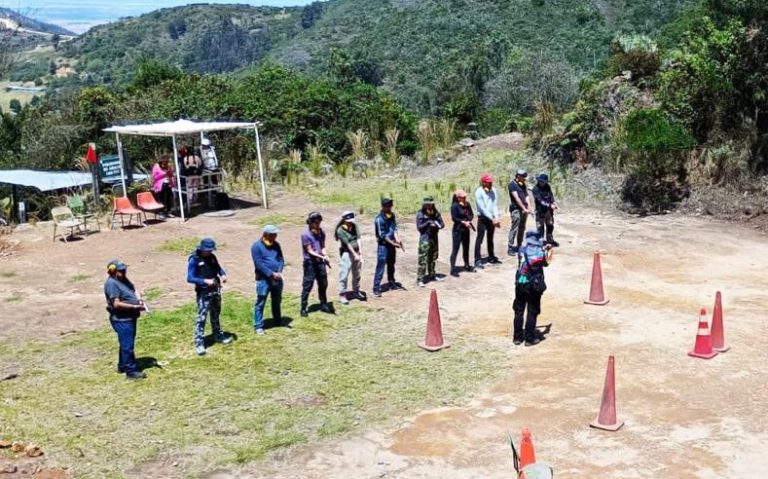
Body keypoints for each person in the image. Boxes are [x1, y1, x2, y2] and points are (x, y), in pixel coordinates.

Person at [187, 237, 232, 356]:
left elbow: (218, 268)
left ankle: (217, 335)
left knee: (215, 314)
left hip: (215, 290)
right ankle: (199, 343)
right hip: (203, 293)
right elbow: (190, 278)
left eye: (211, 250)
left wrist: (223, 275)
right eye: (208, 250)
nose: (210, 252)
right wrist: (205, 281)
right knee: (201, 317)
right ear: (202, 248)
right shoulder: (194, 259)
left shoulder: (212, 257)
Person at [103, 259, 146, 380]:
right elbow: (116, 304)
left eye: (124, 269)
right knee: (128, 346)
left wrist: (139, 299)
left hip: (129, 317)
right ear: (113, 271)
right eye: (121, 270)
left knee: (125, 344)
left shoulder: (122, 279)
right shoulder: (112, 284)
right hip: (122, 320)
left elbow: (134, 289)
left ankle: (122, 365)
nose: (124, 272)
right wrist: (134, 306)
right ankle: (131, 372)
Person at [513, 231, 552, 346]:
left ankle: (517, 337)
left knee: (518, 312)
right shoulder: (540, 254)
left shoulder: (521, 250)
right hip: (533, 285)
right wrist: (547, 250)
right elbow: (546, 263)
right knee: (532, 311)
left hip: (520, 283)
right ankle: (529, 339)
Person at [251, 225, 284, 335]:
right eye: (273, 234)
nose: (275, 236)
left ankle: (277, 320)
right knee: (260, 302)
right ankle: (258, 325)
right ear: (266, 234)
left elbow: (281, 259)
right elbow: (258, 264)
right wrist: (271, 274)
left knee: (276, 300)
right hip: (263, 280)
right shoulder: (256, 246)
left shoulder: (276, 245)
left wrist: (279, 271)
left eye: (275, 234)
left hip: (277, 278)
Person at [300, 211, 333, 317]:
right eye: (316, 222)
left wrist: (326, 254)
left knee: (323, 283)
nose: (318, 224)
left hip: (320, 262)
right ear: (311, 222)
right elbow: (310, 251)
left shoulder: (321, 232)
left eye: (319, 222)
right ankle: (304, 307)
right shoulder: (305, 235)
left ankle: (323, 303)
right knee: (307, 285)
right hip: (310, 263)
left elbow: (322, 246)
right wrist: (322, 256)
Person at [372, 197, 403, 297]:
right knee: (380, 267)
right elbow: (382, 235)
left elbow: (394, 228)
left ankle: (391, 282)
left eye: (390, 206)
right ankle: (376, 288)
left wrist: (397, 239)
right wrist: (392, 243)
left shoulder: (391, 215)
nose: (390, 208)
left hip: (391, 245)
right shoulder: (379, 219)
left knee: (391, 265)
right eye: (388, 206)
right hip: (383, 246)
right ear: (383, 207)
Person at [334, 211, 366, 305]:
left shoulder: (355, 226)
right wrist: (355, 255)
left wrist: (360, 251)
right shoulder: (340, 230)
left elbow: (358, 238)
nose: (350, 222)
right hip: (347, 254)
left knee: (357, 274)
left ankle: (356, 291)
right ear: (344, 220)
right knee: (344, 274)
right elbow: (347, 244)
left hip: (356, 252)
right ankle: (343, 294)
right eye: (348, 220)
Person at [474, 174, 501, 269]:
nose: (490, 184)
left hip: (491, 218)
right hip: (482, 218)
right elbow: (482, 209)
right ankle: (477, 260)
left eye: (491, 182)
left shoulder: (493, 190)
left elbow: (494, 205)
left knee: (490, 238)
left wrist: (496, 217)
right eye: (489, 182)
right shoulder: (478, 192)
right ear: (484, 183)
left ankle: (491, 256)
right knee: (480, 238)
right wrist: (492, 218)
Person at [416, 196, 445, 287]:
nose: (429, 206)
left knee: (433, 257)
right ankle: (420, 279)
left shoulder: (435, 213)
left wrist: (436, 225)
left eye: (430, 204)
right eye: (427, 204)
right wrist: (428, 223)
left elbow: (442, 224)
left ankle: (432, 275)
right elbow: (419, 227)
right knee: (423, 259)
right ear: (424, 205)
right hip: (425, 239)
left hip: (434, 238)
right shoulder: (420, 213)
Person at [449, 189, 475, 277]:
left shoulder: (467, 205)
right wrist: (463, 222)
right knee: (455, 249)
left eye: (465, 196)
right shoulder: (454, 206)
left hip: (466, 229)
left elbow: (471, 214)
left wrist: (468, 220)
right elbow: (454, 218)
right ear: (458, 198)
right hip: (457, 230)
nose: (465, 198)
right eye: (463, 197)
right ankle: (452, 269)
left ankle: (467, 265)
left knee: (466, 248)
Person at [507, 169, 533, 255]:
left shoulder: (523, 184)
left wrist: (529, 207)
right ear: (518, 176)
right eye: (523, 177)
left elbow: (526, 196)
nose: (524, 179)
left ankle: (519, 245)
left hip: (524, 210)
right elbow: (516, 198)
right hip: (516, 210)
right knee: (514, 228)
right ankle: (510, 247)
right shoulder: (512, 185)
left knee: (522, 228)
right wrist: (523, 208)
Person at [532, 173, 560, 247]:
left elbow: (551, 196)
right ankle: (540, 241)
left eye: (543, 182)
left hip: (549, 211)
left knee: (550, 225)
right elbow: (540, 201)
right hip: (540, 211)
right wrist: (550, 205)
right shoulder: (535, 189)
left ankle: (549, 240)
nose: (542, 183)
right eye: (541, 181)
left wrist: (554, 202)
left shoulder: (547, 186)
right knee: (540, 227)